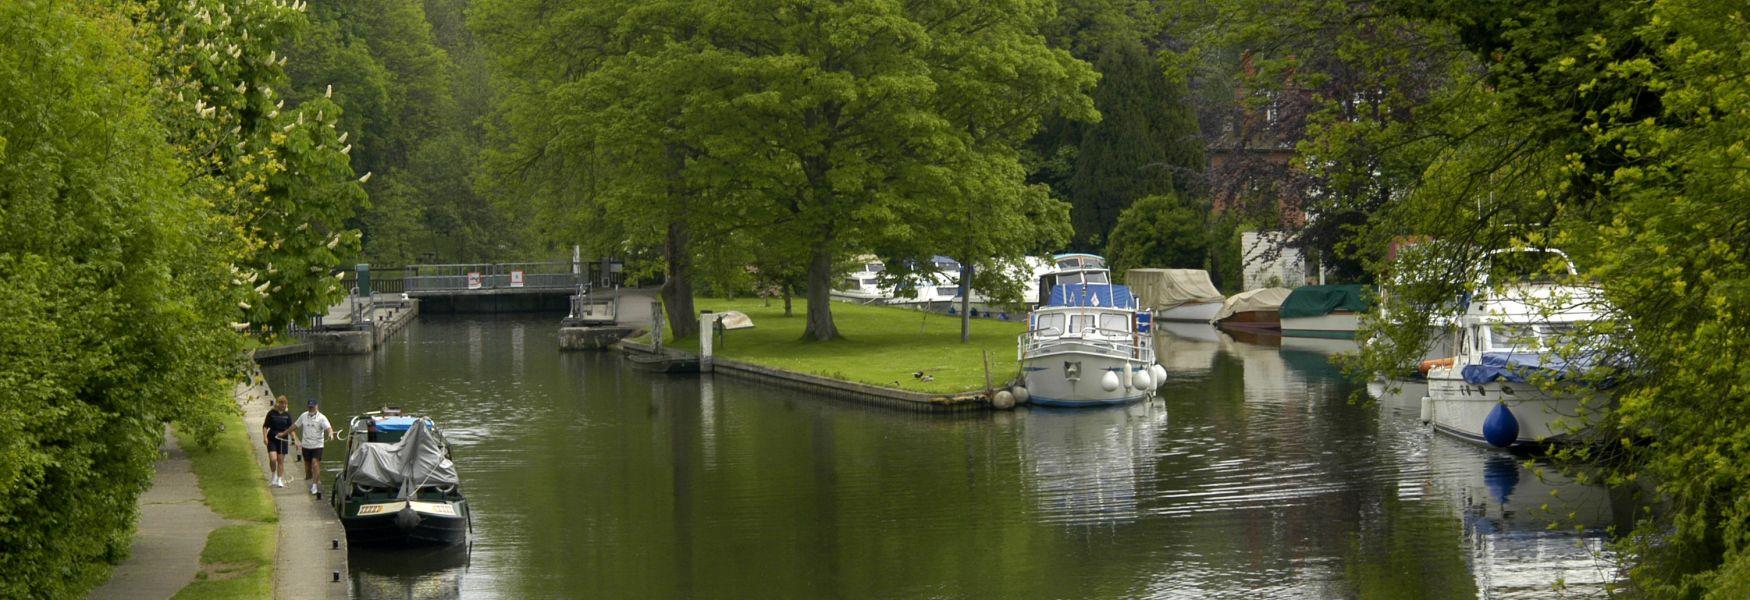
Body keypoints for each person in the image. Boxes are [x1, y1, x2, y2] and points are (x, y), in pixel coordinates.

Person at [290, 399, 334, 495]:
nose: (311, 408)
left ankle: (314, 485)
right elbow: (295, 426)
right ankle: (313, 478)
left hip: (317, 445)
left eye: (312, 407)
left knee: (315, 463)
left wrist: (330, 434)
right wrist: (284, 433)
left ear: (316, 407)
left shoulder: (322, 418)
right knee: (308, 470)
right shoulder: (303, 416)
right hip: (306, 446)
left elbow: (328, 428)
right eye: (309, 407)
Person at [261, 395, 295, 488]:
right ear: (278, 403)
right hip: (272, 438)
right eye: (281, 403)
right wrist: (265, 437)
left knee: (280, 460)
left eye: (285, 404)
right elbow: (265, 426)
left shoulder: (287, 415)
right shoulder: (271, 413)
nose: (283, 405)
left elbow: (291, 428)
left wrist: (294, 439)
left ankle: (279, 480)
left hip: (283, 440)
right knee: (273, 459)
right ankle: (273, 476)